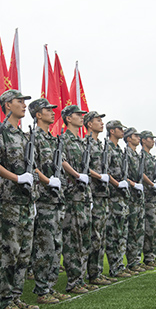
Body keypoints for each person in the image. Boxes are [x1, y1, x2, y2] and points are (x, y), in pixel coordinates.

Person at [0, 89, 39, 309]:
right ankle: (5, 300)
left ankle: (16, 297)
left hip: (27, 201)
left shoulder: (25, 136)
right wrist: (16, 178)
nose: (23, 105)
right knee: (8, 252)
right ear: (7, 105)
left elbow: (33, 166)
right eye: (19, 101)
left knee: (23, 253)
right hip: (9, 200)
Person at [29, 98, 71, 304]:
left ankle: (50, 287)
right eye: (47, 110)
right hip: (43, 198)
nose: (53, 112)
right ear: (38, 114)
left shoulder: (53, 140)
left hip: (57, 199)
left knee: (56, 245)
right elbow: (31, 166)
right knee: (44, 246)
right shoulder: (33, 137)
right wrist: (47, 181)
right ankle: (42, 290)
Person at [60, 105, 96, 294]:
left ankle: (80, 279)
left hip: (84, 196)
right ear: (68, 118)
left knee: (85, 239)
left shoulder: (82, 142)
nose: (82, 117)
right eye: (78, 115)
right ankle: (74, 281)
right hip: (72, 195)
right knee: (73, 240)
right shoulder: (63, 139)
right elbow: (62, 160)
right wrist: (77, 175)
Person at [84, 111, 113, 287]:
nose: (101, 123)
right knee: (94, 236)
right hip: (93, 194)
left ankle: (98, 272)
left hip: (103, 195)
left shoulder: (101, 145)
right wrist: (99, 176)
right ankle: (92, 273)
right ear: (89, 124)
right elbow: (83, 166)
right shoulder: (86, 143)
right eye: (98, 120)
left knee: (101, 236)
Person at [104, 120, 131, 279]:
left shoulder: (119, 149)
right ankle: (115, 267)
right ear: (112, 131)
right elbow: (105, 171)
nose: (122, 131)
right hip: (113, 196)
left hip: (122, 196)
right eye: (119, 129)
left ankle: (120, 265)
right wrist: (117, 184)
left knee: (122, 233)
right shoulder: (107, 148)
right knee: (114, 233)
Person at [123, 127, 147, 273]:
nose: (138, 138)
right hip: (131, 196)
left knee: (139, 230)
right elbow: (122, 174)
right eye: (135, 136)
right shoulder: (126, 153)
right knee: (132, 230)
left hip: (138, 196)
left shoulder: (137, 155)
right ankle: (132, 262)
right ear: (128, 138)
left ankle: (137, 260)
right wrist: (133, 184)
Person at [139, 130, 156, 268]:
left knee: (155, 228)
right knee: (149, 229)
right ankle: (148, 257)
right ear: (143, 140)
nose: (153, 141)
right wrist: (152, 184)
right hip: (147, 196)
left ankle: (153, 256)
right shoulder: (142, 155)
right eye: (150, 138)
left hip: (154, 197)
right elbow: (141, 173)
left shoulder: (151, 157)